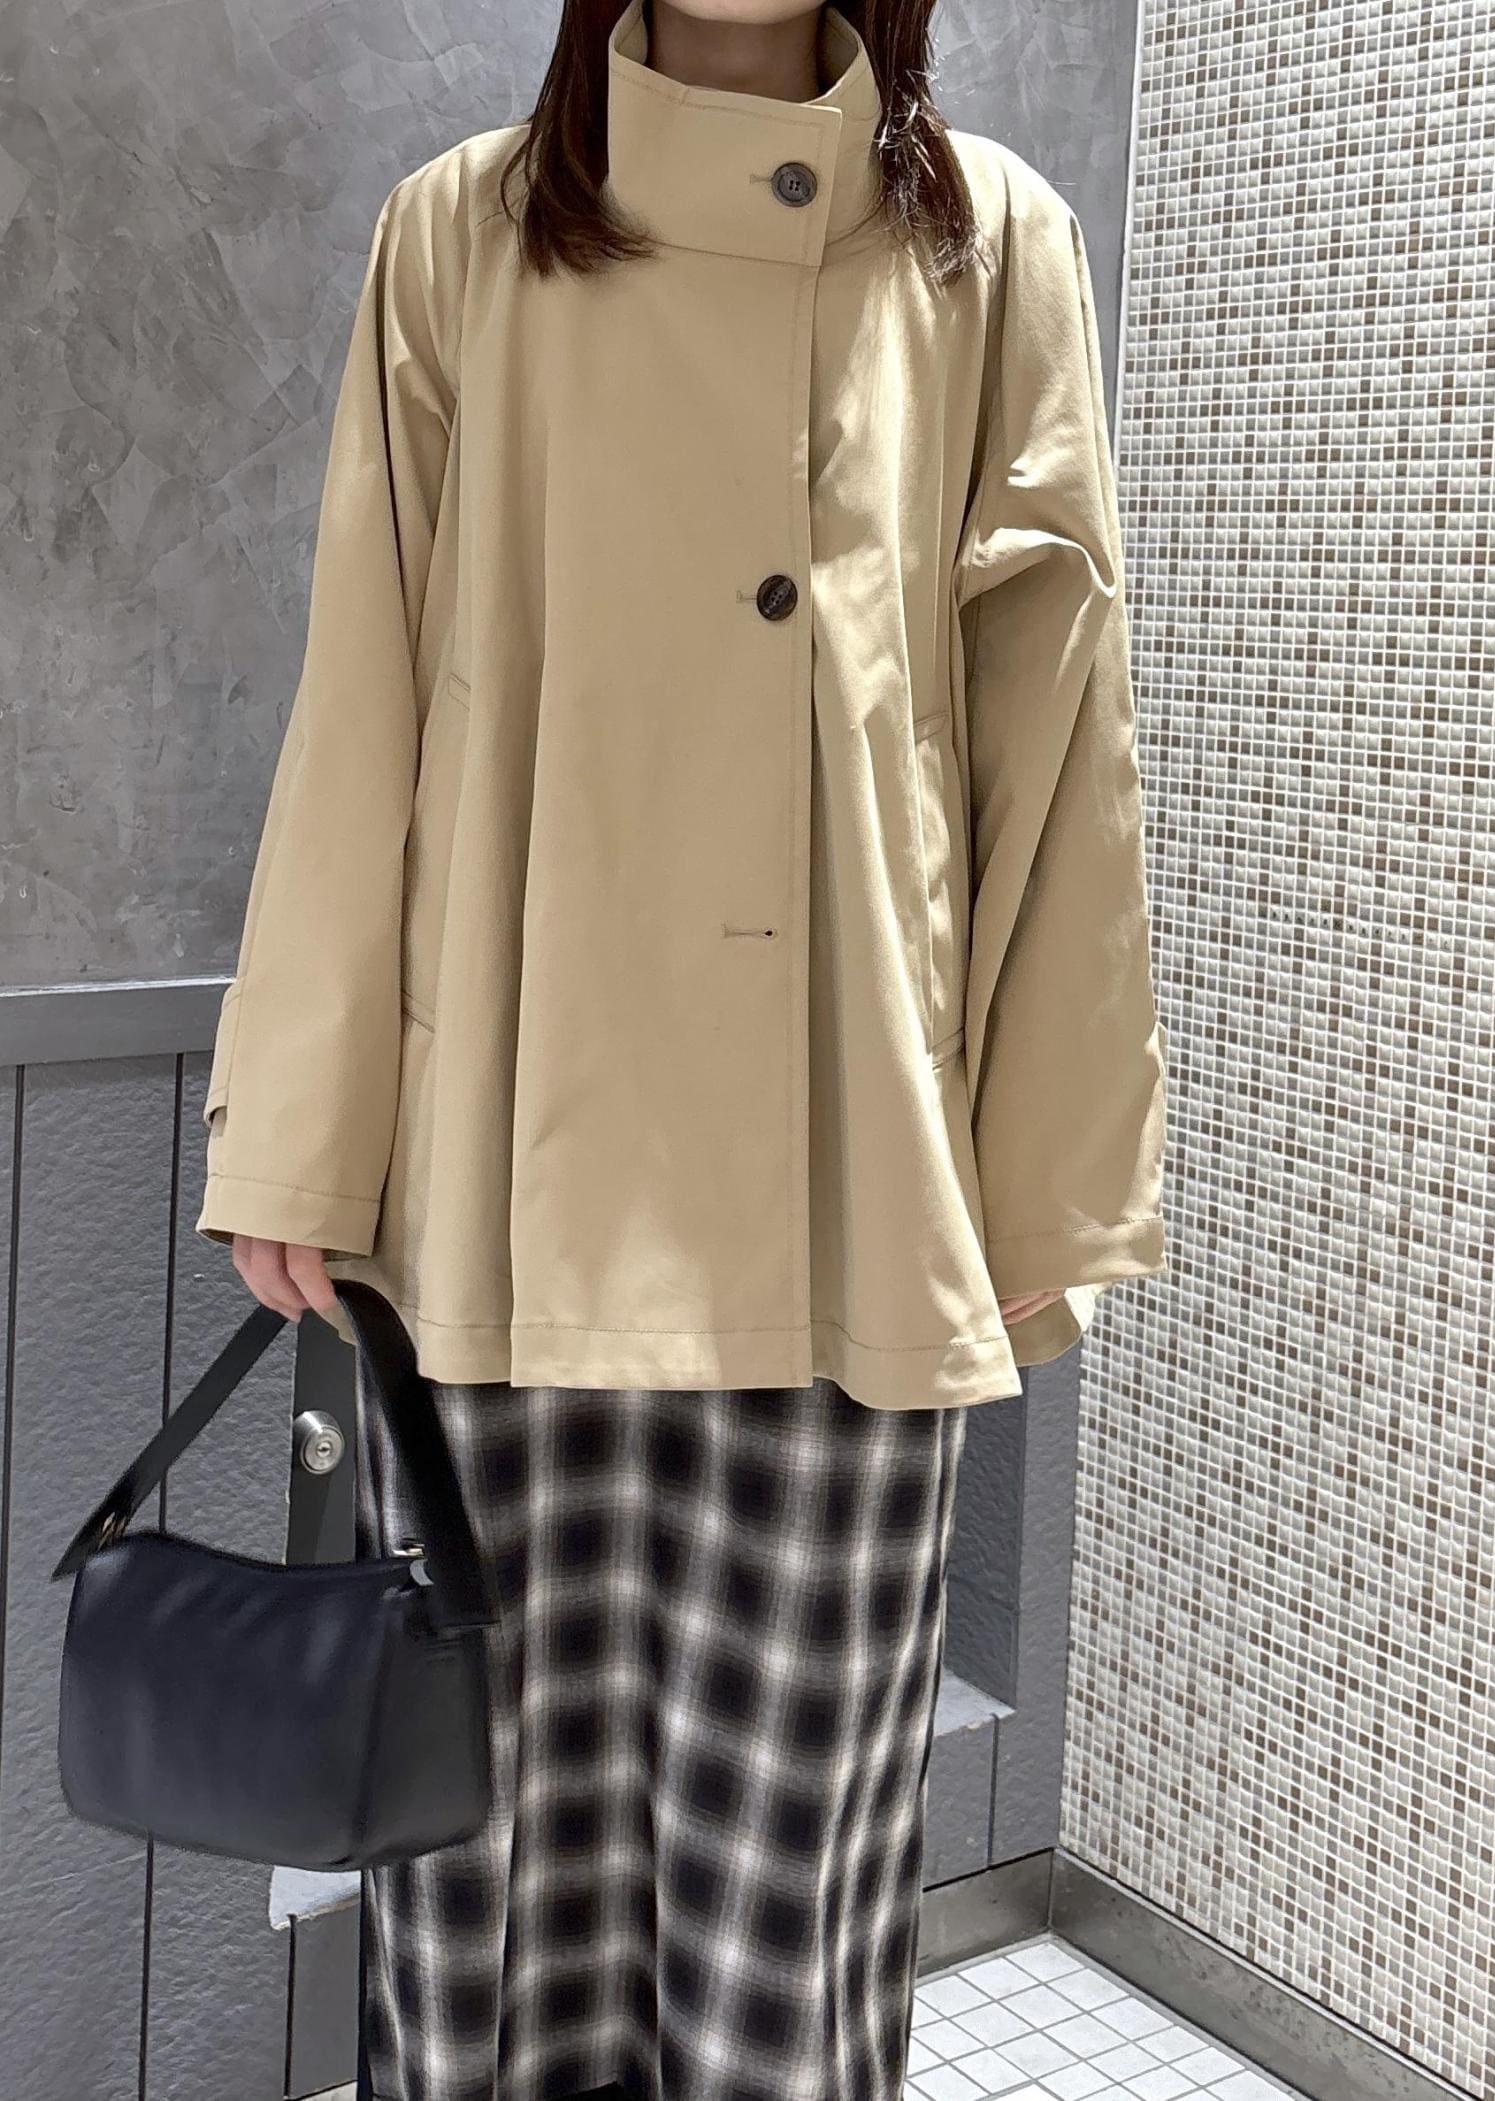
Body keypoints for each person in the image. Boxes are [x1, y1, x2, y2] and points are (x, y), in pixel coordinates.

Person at [194, 1, 1169, 2096]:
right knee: (483, 1896)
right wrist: (300, 1131)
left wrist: (1046, 1179)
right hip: (505, 1176)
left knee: (785, 1921)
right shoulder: (459, 231)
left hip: (849, 1188)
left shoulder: (995, 243)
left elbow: (1056, 733)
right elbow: (365, 677)